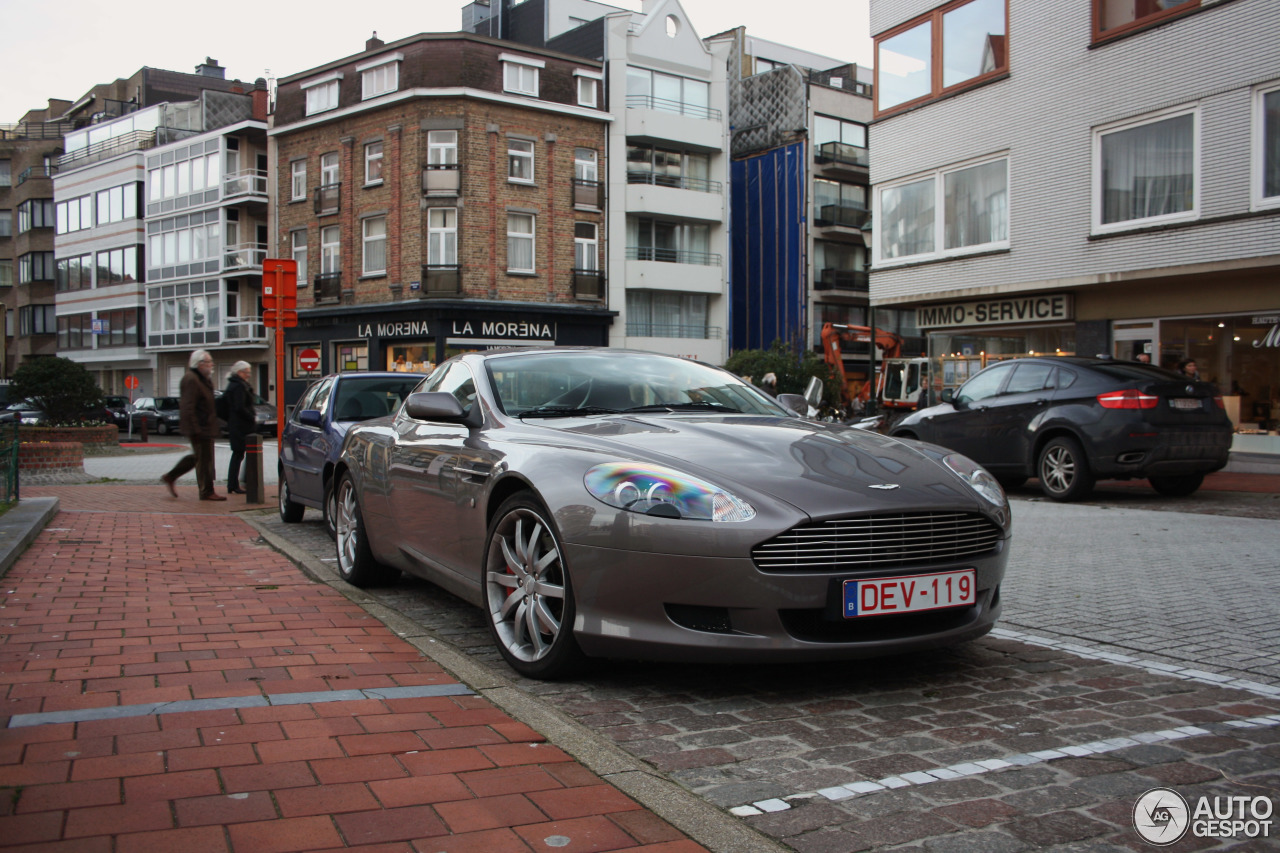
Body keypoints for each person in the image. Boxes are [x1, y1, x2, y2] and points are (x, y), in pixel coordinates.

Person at [160, 349, 225, 501]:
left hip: (205, 426)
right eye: (208, 362)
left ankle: (172, 477)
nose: (211, 364)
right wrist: (195, 428)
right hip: (199, 427)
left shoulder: (203, 379)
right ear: (199, 363)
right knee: (203, 460)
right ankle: (205, 491)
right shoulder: (191, 379)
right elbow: (188, 406)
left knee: (202, 458)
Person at [223, 361, 256, 495]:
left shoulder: (237, 385)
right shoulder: (238, 386)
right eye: (246, 372)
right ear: (239, 372)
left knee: (239, 454)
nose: (248, 375)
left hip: (239, 425)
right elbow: (239, 406)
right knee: (238, 454)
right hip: (240, 426)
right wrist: (250, 416)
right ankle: (234, 484)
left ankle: (236, 483)